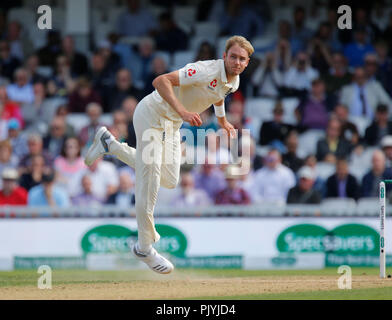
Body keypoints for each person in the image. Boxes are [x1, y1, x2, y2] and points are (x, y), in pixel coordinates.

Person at [84, 35, 252, 274]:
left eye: (241, 59)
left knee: (169, 180)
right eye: (233, 56)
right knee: (149, 182)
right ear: (224, 56)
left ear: (247, 63)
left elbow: (218, 96)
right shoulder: (205, 69)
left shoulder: (233, 82)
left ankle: (110, 145)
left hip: (171, 124)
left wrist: (223, 121)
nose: (236, 62)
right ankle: (144, 247)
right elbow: (160, 80)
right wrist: (183, 111)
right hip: (152, 115)